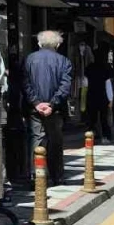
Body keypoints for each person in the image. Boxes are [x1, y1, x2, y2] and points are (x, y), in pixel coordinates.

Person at [23, 30, 74, 186]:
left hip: (35, 108)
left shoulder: (29, 59)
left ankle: (35, 175)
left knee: (36, 139)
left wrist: (36, 102)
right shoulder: (64, 61)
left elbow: (25, 83)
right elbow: (65, 86)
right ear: (57, 44)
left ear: (39, 43)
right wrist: (52, 104)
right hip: (55, 110)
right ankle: (57, 176)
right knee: (55, 142)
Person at [84, 48, 114, 144]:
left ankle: (90, 136)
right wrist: (111, 99)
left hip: (91, 96)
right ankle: (106, 136)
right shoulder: (106, 68)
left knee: (91, 118)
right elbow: (108, 85)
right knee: (104, 118)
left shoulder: (89, 68)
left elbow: (85, 84)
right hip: (103, 97)